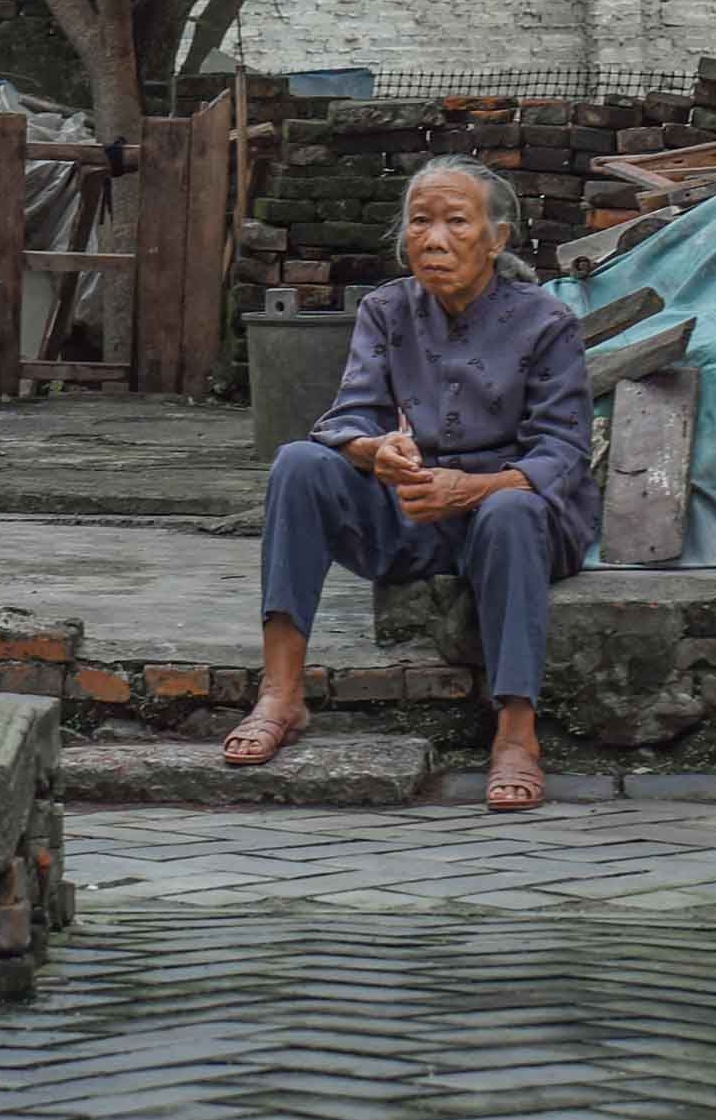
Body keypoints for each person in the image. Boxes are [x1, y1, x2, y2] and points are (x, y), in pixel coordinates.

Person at [235, 155, 599, 812]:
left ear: (497, 239)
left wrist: (472, 488)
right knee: (298, 463)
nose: (434, 239)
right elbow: (348, 416)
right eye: (420, 222)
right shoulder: (386, 310)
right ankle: (282, 693)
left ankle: (516, 733)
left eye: (456, 222)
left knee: (512, 510)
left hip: (515, 518)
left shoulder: (547, 322)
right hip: (416, 506)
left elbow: (563, 451)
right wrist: (378, 450)